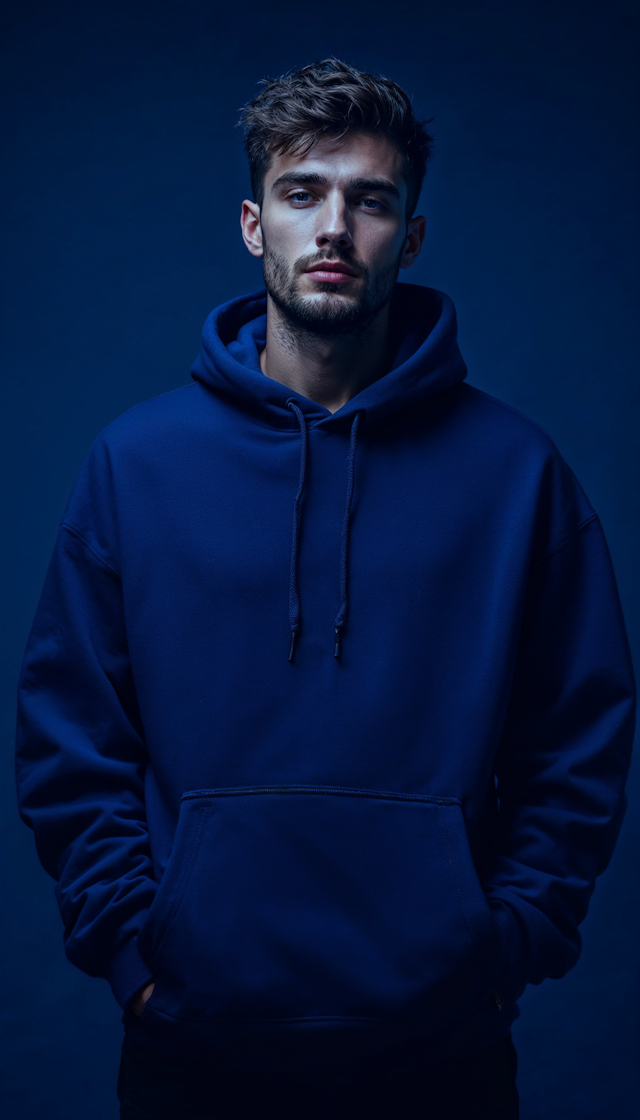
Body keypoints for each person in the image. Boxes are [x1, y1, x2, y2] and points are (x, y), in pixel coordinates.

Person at [15, 58, 635, 1120]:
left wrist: (505, 943)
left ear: (412, 235)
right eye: (305, 194)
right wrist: (134, 954)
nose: (336, 227)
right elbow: (71, 734)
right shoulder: (137, 461)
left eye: (371, 199)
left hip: (441, 1045)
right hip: (193, 1041)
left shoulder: (517, 472)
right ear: (256, 225)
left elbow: (577, 735)